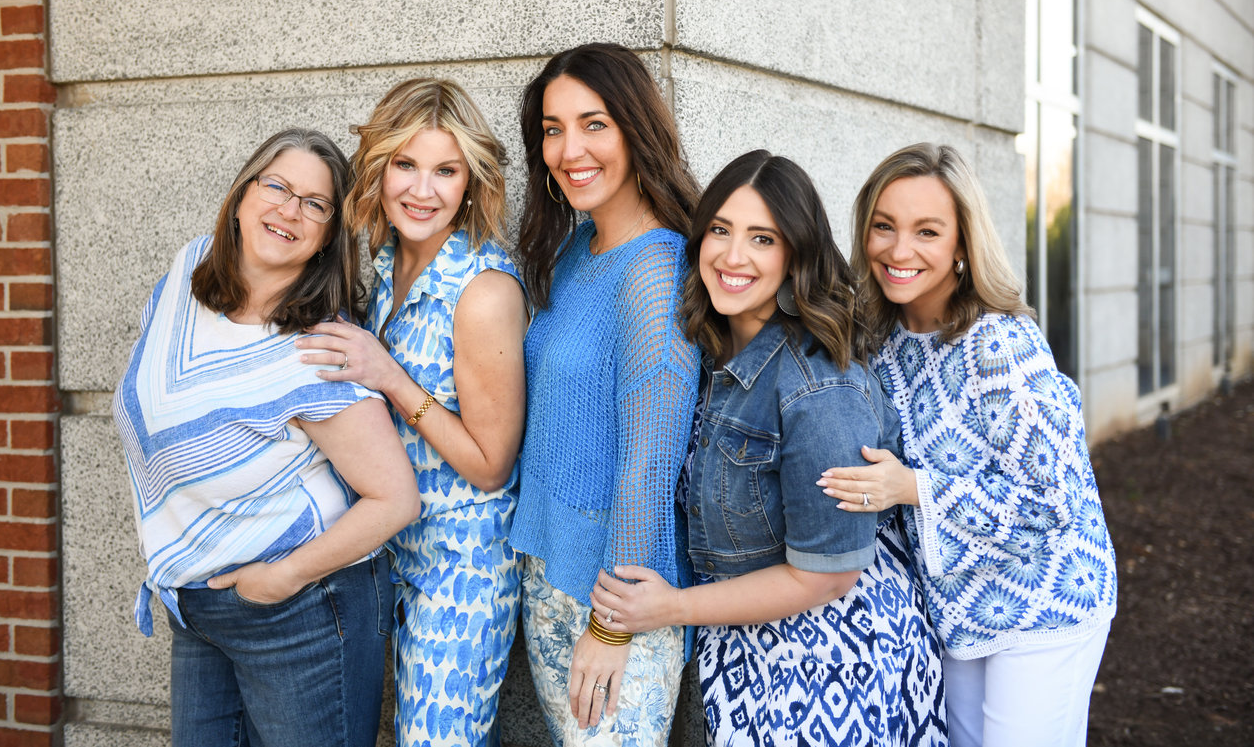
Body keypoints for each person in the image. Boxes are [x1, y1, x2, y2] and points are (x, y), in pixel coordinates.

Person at [589, 151, 949, 746]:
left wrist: (669, 608)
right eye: (721, 231)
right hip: (748, 655)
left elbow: (825, 578)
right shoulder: (708, 352)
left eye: (762, 239)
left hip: (836, 665)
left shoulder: (819, 387)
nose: (733, 257)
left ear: (796, 257)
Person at [114, 128, 420, 747]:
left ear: (329, 235)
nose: (289, 210)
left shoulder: (317, 348)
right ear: (243, 192)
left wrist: (283, 577)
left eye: (315, 203)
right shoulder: (188, 273)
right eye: (277, 186)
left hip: (300, 611)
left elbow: (396, 500)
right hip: (197, 608)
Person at [819, 142, 1117, 747]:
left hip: (1045, 600)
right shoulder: (878, 339)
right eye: (884, 227)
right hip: (957, 609)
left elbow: (1049, 505)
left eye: (927, 231)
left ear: (962, 243)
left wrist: (912, 487)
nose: (899, 251)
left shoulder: (1002, 345)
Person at [294, 79, 527, 746]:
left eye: (445, 170)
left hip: (462, 571)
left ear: (470, 182)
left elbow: (490, 465)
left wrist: (388, 374)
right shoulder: (387, 263)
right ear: (378, 167)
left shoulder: (481, 291)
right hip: (386, 556)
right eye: (405, 164)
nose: (422, 190)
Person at [509, 42, 702, 744]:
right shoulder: (574, 249)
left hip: (613, 600)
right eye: (552, 129)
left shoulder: (657, 269)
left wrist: (609, 624)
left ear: (635, 129)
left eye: (593, 124)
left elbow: (648, 464)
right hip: (549, 575)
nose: (569, 148)